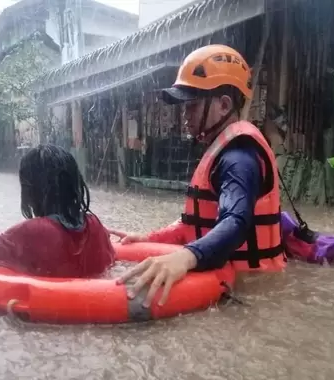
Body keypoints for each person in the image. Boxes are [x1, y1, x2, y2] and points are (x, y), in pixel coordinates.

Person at [110, 45, 285, 308]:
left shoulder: (238, 158)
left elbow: (236, 221)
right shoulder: (222, 149)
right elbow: (194, 225)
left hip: (252, 290)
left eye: (191, 107)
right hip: (233, 278)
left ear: (224, 105)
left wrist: (186, 257)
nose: (184, 117)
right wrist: (148, 239)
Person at [0, 144, 115, 278]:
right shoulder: (95, 225)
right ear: (75, 184)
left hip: (47, 314)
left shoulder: (33, 231)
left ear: (30, 190)